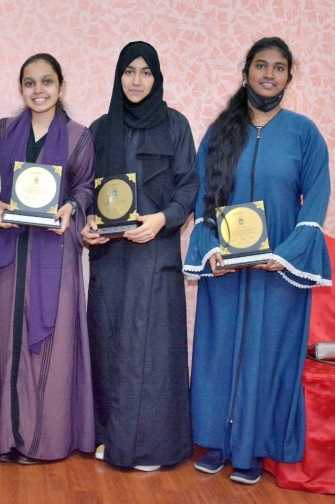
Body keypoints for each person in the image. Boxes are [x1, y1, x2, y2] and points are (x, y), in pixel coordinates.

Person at [183, 37, 331, 485]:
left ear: (289, 76)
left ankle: (251, 451)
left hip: (278, 270)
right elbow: (203, 194)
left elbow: (316, 200)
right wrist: (212, 251)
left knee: (269, 359)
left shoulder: (304, 133)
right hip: (227, 267)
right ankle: (217, 443)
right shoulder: (220, 131)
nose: (269, 74)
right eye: (261, 65)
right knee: (218, 352)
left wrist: (285, 256)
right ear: (246, 71)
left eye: (279, 68)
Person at [82, 41, 197, 470]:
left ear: (157, 77)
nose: (136, 80)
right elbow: (84, 190)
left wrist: (162, 219)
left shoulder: (175, 125)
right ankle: (111, 437)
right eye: (129, 71)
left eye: (146, 72)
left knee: (152, 351)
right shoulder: (99, 128)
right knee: (109, 344)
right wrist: (88, 224)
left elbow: (189, 187)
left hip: (155, 254)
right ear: (118, 75)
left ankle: (153, 446)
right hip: (110, 257)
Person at [0, 54, 95, 463]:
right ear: (20, 89)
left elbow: (85, 187)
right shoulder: (0, 132)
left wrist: (72, 206)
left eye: (47, 81)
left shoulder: (77, 136)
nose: (38, 90)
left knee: (50, 342)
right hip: (9, 252)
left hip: (55, 252)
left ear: (61, 86)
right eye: (29, 82)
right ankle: (6, 437)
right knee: (6, 342)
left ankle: (42, 441)